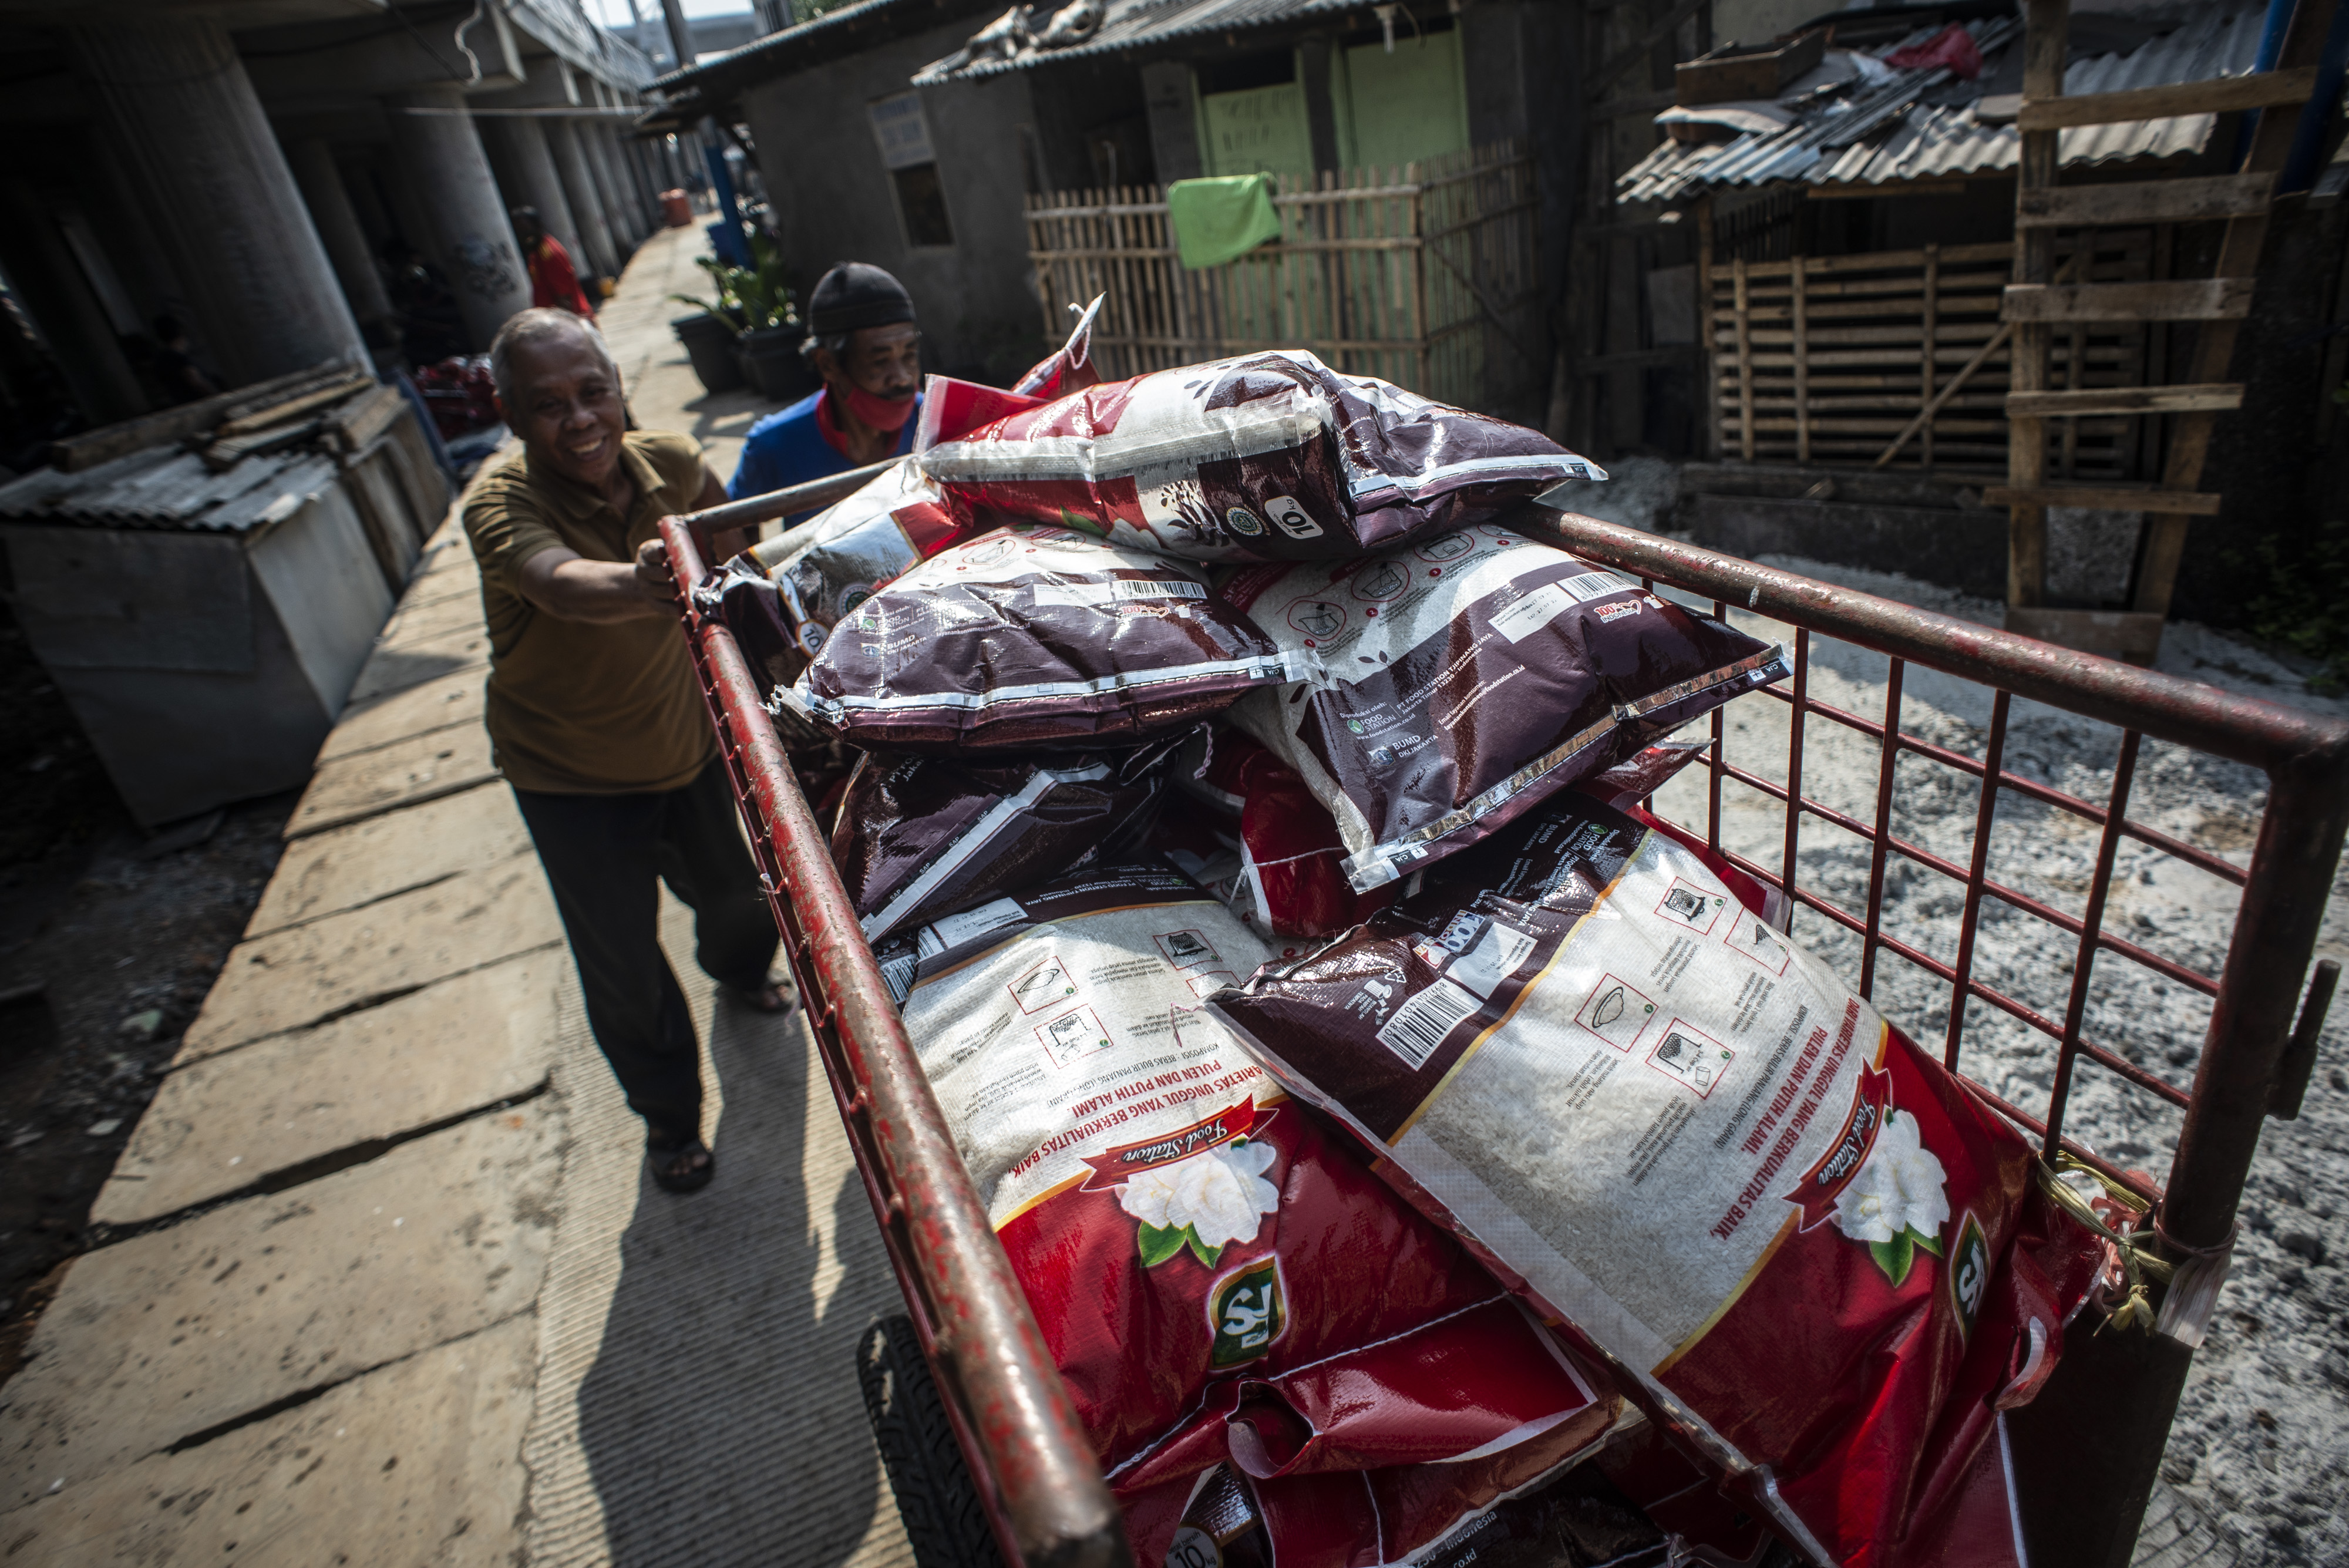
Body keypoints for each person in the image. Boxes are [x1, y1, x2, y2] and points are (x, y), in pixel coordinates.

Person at [464, 308, 788, 1196]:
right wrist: (647, 579)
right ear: (513, 417)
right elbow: (556, 583)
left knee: (742, 899)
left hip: (686, 743)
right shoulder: (502, 504)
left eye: (592, 393)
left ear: (620, 390)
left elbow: (745, 544)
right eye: (547, 405)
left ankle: (740, 974)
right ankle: (669, 1118)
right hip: (568, 773)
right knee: (622, 964)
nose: (578, 420)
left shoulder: (675, 463)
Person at [727, 261, 923, 517]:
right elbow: (728, 526)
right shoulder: (774, 444)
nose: (902, 378)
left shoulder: (937, 422)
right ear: (828, 364)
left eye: (909, 355)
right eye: (880, 361)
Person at [511, 206, 597, 318]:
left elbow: (565, 299)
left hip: (571, 321)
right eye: (518, 231)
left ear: (538, 226)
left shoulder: (549, 254)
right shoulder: (536, 253)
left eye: (525, 229)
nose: (522, 235)